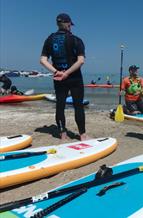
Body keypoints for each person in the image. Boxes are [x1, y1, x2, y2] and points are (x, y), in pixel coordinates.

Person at [40, 13, 87, 141]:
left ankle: (63, 134)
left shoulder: (49, 39)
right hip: (75, 78)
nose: (70, 27)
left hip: (58, 78)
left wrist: (57, 72)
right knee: (78, 106)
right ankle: (82, 135)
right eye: (70, 24)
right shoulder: (76, 40)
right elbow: (81, 61)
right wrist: (67, 73)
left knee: (60, 105)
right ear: (67, 24)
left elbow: (43, 60)